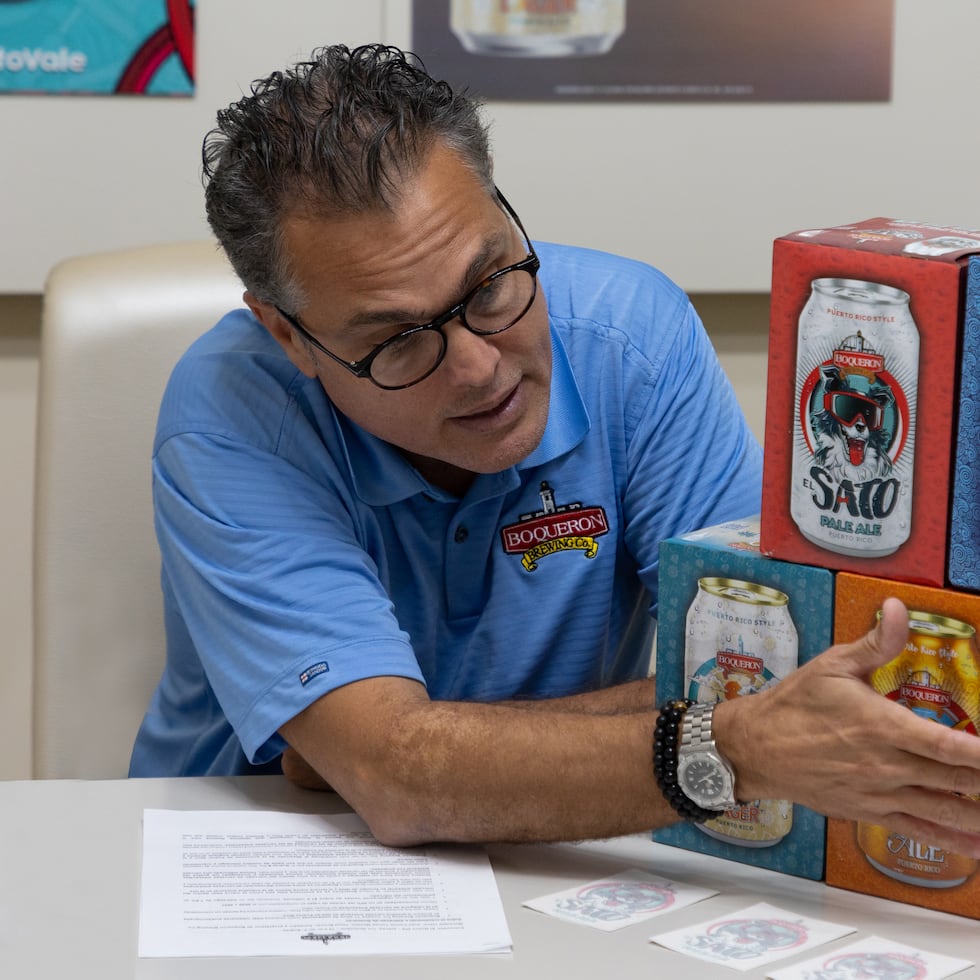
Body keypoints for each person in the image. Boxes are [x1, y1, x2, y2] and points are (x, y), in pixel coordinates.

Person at [130, 43, 980, 857]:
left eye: (490, 284)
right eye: (395, 341)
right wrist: (730, 746)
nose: (477, 368)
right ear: (287, 334)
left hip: (564, 846)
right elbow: (393, 782)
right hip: (254, 856)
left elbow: (767, 682)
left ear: (505, 212)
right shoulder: (229, 416)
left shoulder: (633, 340)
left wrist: (400, 749)